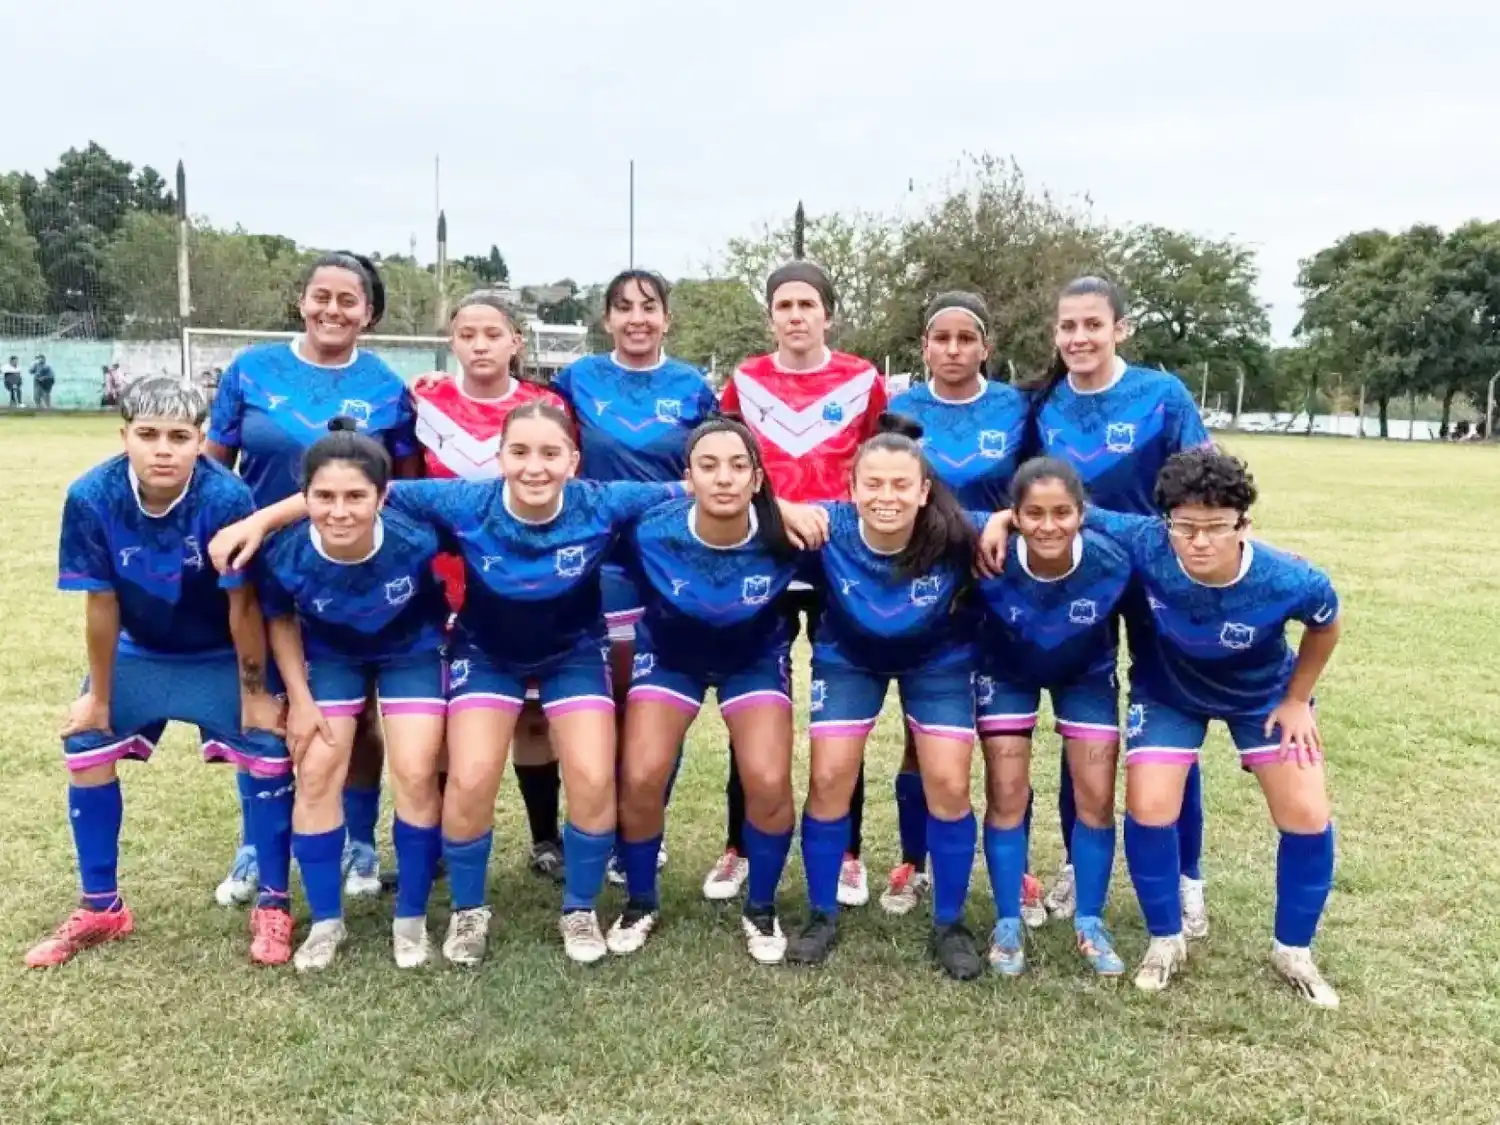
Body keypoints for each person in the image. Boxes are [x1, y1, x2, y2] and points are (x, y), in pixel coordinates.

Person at [981, 447, 1343, 1006]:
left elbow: (1327, 622)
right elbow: (1063, 509)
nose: (1199, 541)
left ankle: (1293, 950)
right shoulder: (1147, 539)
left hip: (1262, 698)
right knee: (1149, 807)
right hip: (1169, 694)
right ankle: (1165, 939)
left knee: (1306, 813)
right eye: (1185, 526)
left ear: (1244, 524)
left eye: (1216, 528)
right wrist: (1004, 518)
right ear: (1165, 520)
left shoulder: (1288, 577)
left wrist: (1298, 699)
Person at [25, 379, 291, 968]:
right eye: (147, 435)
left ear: (201, 440)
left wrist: (254, 694)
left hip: (216, 654)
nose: (162, 449)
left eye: (178, 437)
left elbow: (242, 606)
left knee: (270, 746)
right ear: (125, 438)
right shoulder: (91, 496)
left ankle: (273, 903)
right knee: (87, 743)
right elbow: (100, 605)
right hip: (140, 650)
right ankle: (102, 906)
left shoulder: (226, 497)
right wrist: (96, 694)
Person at [205, 251, 418, 909]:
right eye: (320, 296)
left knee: (355, 712)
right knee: (263, 706)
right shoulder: (250, 370)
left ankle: (358, 840)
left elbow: (399, 485)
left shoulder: (386, 387)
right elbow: (214, 467)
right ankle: (255, 841)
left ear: (370, 314)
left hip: (351, 575)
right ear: (301, 301)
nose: (332, 309)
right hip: (258, 569)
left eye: (348, 300)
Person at [1025, 276, 1215, 937]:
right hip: (1073, 583)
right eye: (1067, 326)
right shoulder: (1043, 404)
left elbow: (1204, 482)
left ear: (1120, 328)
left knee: (1167, 731)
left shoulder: (1161, 396)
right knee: (1086, 729)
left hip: (1160, 584)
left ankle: (1189, 877)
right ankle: (1083, 860)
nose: (1079, 337)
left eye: (1092, 325)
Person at [713, 260, 888, 907]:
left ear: (827, 313)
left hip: (842, 561)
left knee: (844, 706)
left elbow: (882, 464)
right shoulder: (745, 381)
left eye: (806, 304)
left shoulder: (864, 380)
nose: (794, 315)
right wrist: (773, 511)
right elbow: (727, 458)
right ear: (771, 316)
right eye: (783, 305)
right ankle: (737, 845)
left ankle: (846, 851)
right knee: (751, 701)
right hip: (762, 557)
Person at [787, 415, 984, 980]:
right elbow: (751, 523)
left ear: (924, 490)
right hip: (848, 659)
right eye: (872, 484)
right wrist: (783, 507)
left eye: (901, 484)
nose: (887, 496)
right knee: (829, 778)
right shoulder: (829, 529)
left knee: (947, 781)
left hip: (938, 663)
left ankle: (950, 922)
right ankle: (821, 913)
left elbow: (1017, 522)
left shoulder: (957, 532)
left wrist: (1005, 524)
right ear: (851, 488)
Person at [254, 420, 450, 971]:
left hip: (411, 651)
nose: (339, 511)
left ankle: (410, 920)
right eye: (324, 496)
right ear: (304, 497)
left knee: (415, 770)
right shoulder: (285, 551)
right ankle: (325, 922)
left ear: (382, 496)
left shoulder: (417, 538)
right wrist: (301, 700)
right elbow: (281, 622)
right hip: (332, 659)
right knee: (316, 770)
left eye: (356, 496)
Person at [610, 417, 802, 964]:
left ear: (759, 480)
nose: (724, 478)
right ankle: (640, 899)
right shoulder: (650, 529)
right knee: (642, 773)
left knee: (766, 779)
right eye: (709, 466)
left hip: (754, 661)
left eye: (739, 467)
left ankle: (761, 908)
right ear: (687, 478)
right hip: (671, 660)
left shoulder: (786, 537)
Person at [550, 270, 718, 884]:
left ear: (667, 318)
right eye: (623, 308)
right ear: (607, 320)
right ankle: (596, 821)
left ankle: (644, 827)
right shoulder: (577, 380)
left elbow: (714, 465)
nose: (637, 318)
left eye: (649, 307)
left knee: (651, 698)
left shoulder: (693, 386)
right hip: (596, 561)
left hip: (670, 564)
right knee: (601, 697)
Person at [411, 293, 572, 882]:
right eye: (466, 334)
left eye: (492, 334)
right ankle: (434, 847)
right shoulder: (424, 400)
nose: (479, 345)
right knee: (451, 718)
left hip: (529, 581)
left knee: (534, 718)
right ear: (451, 342)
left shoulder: (547, 404)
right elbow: (405, 484)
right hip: (443, 581)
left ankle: (545, 837)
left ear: (515, 342)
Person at [882, 290, 1030, 919]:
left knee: (1005, 736)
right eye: (940, 339)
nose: (952, 349)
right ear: (924, 346)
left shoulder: (1015, 407)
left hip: (996, 583)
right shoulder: (901, 410)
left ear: (985, 348)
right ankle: (913, 863)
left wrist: (1004, 518)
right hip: (924, 586)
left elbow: (1039, 485)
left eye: (965, 339)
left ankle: (1016, 869)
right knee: (925, 733)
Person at [973, 457, 1130, 977]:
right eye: (1033, 513)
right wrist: (992, 522)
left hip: (1086, 675)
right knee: (1007, 792)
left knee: (1096, 796)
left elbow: (1161, 534)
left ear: (1082, 514)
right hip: (1006, 672)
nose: (1048, 525)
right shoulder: (987, 549)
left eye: (1062, 512)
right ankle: (1007, 922)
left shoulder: (1112, 559)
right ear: (1013, 515)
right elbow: (930, 519)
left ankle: (1089, 921)